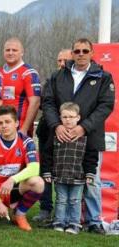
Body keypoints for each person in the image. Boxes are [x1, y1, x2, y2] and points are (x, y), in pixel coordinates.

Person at [42, 38, 115, 234]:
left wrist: (83, 127)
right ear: (72, 54)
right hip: (61, 136)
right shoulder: (58, 76)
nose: (81, 54)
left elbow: (105, 106)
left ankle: (93, 221)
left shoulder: (103, 77)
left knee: (92, 181)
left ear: (92, 53)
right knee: (61, 181)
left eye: (85, 50)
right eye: (77, 51)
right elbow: (47, 102)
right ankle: (61, 219)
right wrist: (56, 125)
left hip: (89, 136)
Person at [0, 105, 44, 231]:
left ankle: (19, 214)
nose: (4, 126)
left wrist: (12, 180)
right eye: (0, 123)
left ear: (16, 123)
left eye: (7, 122)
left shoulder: (27, 142)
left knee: (38, 182)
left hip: (13, 188)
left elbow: (34, 169)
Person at [33, 48, 74, 223]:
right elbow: (45, 103)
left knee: (67, 171)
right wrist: (56, 123)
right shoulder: (52, 79)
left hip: (71, 133)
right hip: (48, 131)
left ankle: (64, 211)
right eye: (59, 60)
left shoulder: (76, 81)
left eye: (65, 60)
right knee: (46, 170)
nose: (62, 63)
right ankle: (45, 208)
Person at [43, 102, 97, 234]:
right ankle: (59, 222)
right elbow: (47, 154)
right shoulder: (55, 135)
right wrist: (47, 171)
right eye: (65, 117)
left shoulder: (85, 136)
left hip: (78, 176)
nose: (68, 120)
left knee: (75, 200)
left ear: (78, 117)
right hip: (60, 174)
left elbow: (91, 155)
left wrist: (90, 173)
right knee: (61, 200)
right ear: (60, 118)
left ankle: (74, 224)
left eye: (71, 117)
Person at [0, 38, 41, 136]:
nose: (10, 53)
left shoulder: (29, 73)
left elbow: (35, 103)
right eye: (7, 50)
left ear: (22, 52)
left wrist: (24, 128)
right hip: (1, 127)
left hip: (19, 129)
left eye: (14, 50)